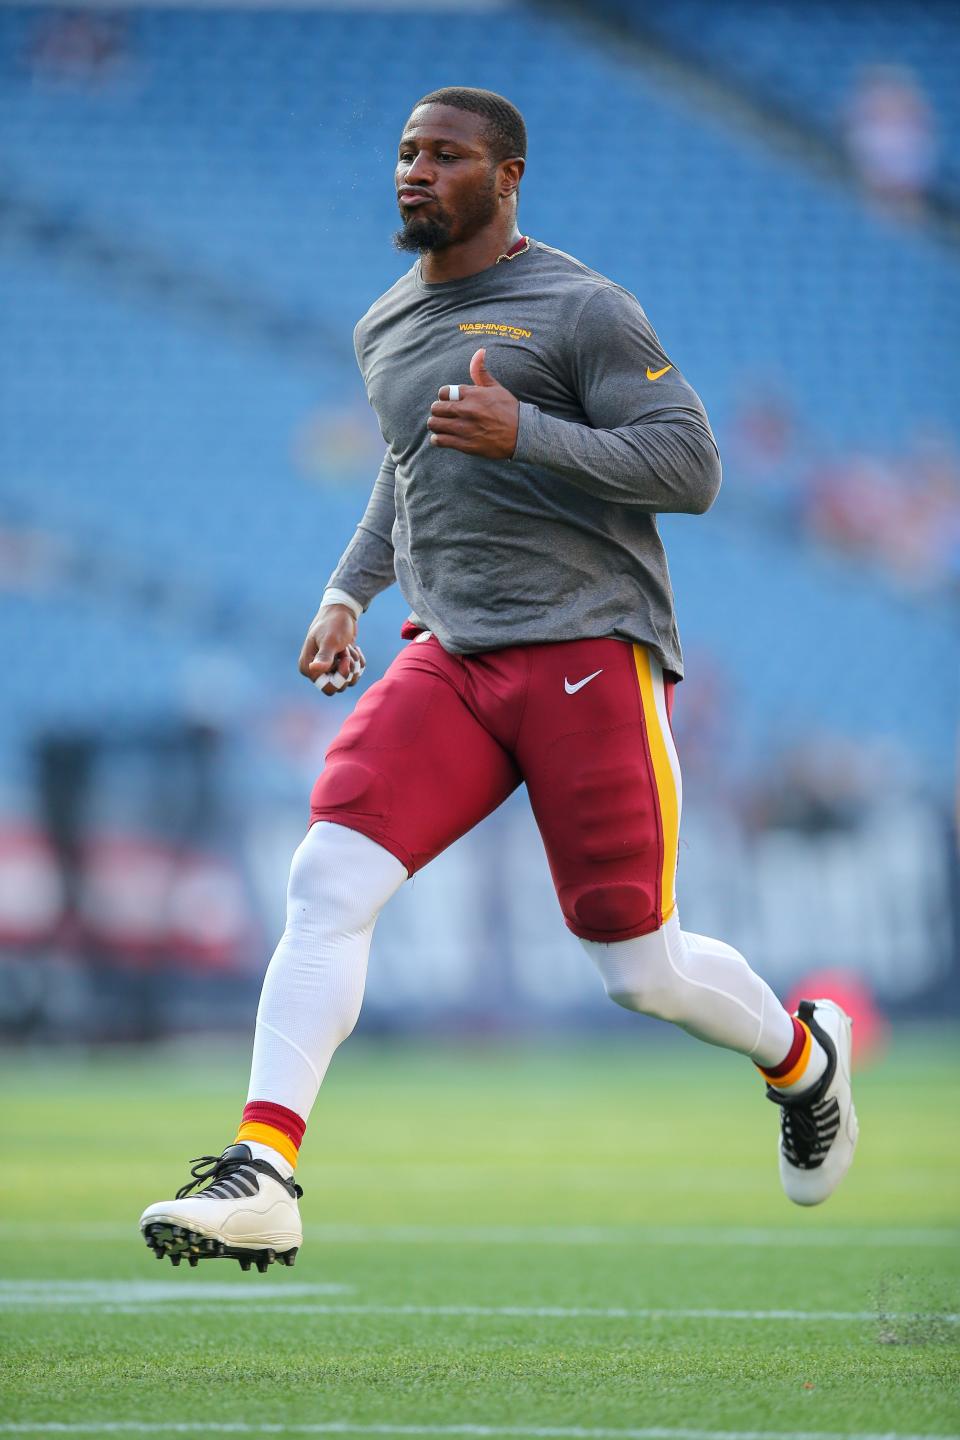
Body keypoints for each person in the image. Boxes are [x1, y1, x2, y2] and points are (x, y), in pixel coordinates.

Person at [140, 88, 858, 1272]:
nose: (416, 172)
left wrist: (527, 434)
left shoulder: (582, 308)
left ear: (508, 176)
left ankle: (800, 1058)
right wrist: (344, 590)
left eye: (447, 155)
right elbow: (411, 466)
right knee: (327, 878)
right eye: (407, 152)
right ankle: (265, 1168)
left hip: (586, 649)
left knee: (636, 964)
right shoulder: (385, 324)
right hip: (454, 653)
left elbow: (691, 465)